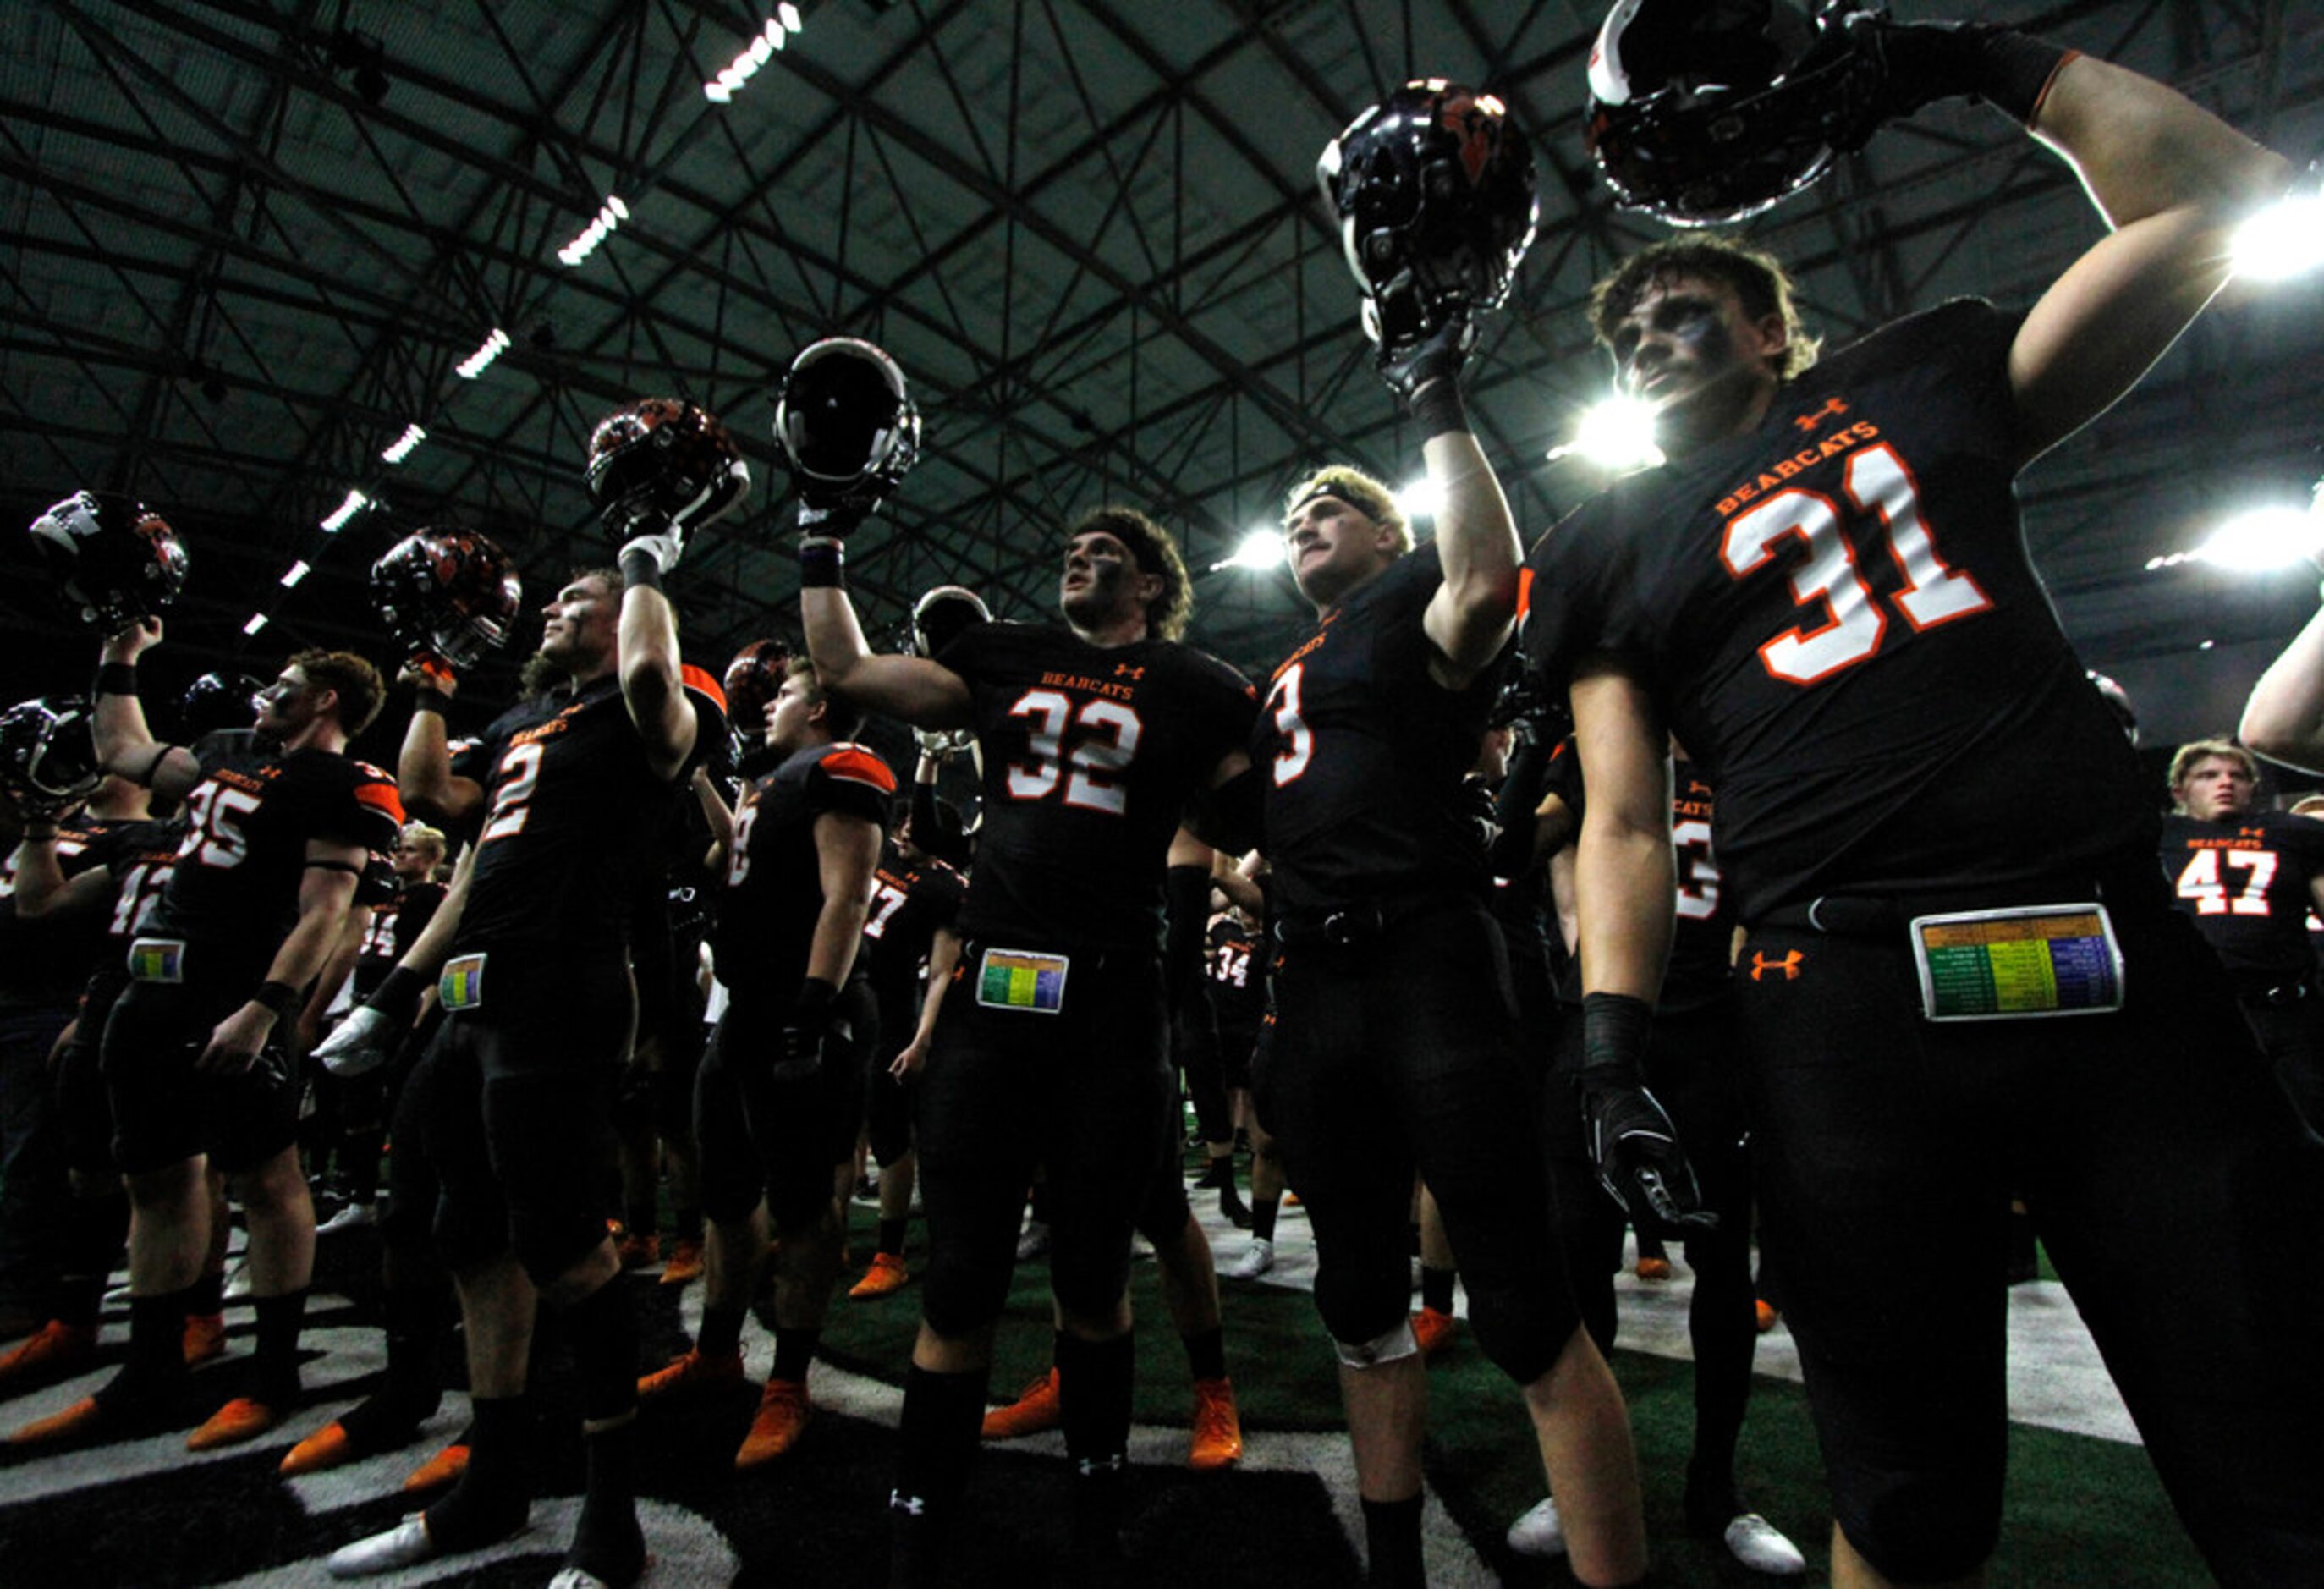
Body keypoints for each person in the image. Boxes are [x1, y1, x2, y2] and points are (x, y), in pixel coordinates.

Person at [1525, 14, 2322, 1582]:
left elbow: (2215, 199)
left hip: (2103, 954)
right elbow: (1620, 815)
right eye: (1625, 336)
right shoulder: (1610, 536)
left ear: (1770, 328)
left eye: (1686, 310)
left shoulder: (1925, 376)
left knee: (2282, 1451)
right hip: (1839, 991)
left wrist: (1961, 57)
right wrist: (1609, 1037)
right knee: (1902, 1493)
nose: (1648, 343)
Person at [799, 503, 1257, 1579]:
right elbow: (846, 663)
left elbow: (1261, 817)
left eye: (1108, 553)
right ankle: (923, 1515)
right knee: (958, 1276)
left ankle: (1094, 1510)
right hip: (995, 1000)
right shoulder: (1006, 657)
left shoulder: (1194, 682)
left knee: (1095, 1275)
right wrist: (823, 520)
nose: (1080, 558)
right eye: (1070, 549)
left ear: (1152, 586)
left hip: (1113, 1001)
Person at [328, 417, 735, 1586]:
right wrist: (395, 991)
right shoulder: (524, 725)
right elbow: (433, 809)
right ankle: (492, 1480)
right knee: (460, 1231)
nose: (551, 608)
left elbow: (658, 678)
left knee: (564, 1249)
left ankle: (610, 1522)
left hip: (564, 981)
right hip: (471, 993)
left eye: (576, 597)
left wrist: (652, 556)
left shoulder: (649, 699)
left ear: (621, 610)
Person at [1256, 437, 1652, 1587]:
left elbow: (1484, 578)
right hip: (1310, 982)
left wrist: (1432, 390)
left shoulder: (1413, 601)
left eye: (1334, 506)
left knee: (1524, 1306)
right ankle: (1393, 1572)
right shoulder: (1287, 666)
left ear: (1392, 536)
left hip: (1424, 960)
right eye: (1296, 515)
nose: (1305, 520)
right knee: (1355, 1299)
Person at [11, 634, 400, 1453]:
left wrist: (267, 1008)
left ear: (326, 699)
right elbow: (121, 745)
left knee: (266, 1178)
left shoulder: (346, 780)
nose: (267, 695)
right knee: (156, 1179)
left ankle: (274, 1374)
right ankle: (151, 1373)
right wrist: (123, 644)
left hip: (235, 992)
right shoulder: (231, 761)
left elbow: (329, 907)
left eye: (286, 685)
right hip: (153, 993)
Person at [634, 656, 892, 1470]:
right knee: (726, 1192)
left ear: (820, 709)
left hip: (797, 1011)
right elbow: (723, 866)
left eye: (785, 695)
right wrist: (708, 780)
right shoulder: (770, 783)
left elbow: (847, 894)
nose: (770, 706)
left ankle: (789, 1381)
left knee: (804, 1205)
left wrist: (814, 1008)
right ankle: (717, 1351)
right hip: (746, 1014)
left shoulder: (839, 766)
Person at [2158, 738, 2324, 1141]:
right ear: (2180, 790)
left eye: (2236, 775)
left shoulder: (2290, 833)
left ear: (2253, 787)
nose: (2225, 783)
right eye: (2208, 775)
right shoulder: (2160, 835)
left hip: (2284, 1009)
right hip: (2195, 1013)